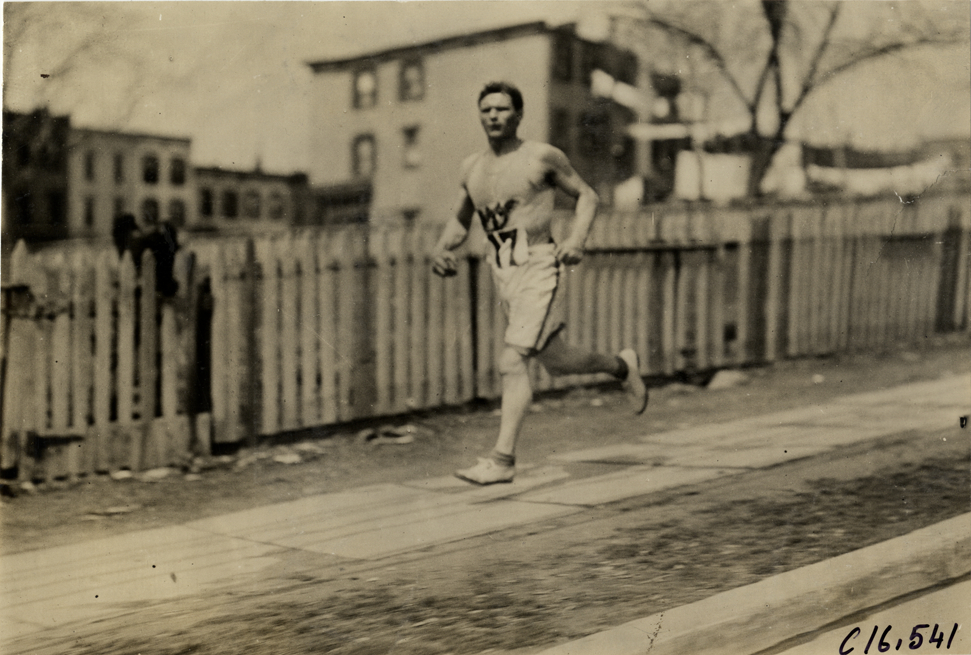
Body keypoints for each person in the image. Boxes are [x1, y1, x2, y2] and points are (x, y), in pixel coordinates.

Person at [432, 81, 648, 485]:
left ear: (518, 115)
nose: (494, 116)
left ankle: (502, 460)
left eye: (502, 109)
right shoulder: (471, 168)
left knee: (512, 361)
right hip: (505, 274)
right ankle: (621, 366)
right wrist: (444, 249)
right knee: (557, 360)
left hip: (540, 267)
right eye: (487, 110)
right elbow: (462, 218)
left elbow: (587, 196)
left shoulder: (541, 158)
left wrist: (576, 240)